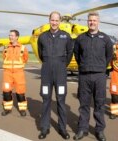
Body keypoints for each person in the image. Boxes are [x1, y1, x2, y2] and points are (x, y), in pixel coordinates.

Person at [73, 11, 113, 141]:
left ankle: (99, 130)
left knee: (99, 104)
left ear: (98, 22)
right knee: (83, 104)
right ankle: (82, 129)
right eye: (90, 20)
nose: (92, 22)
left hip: (99, 76)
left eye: (94, 20)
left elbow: (109, 56)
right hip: (84, 76)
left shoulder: (105, 38)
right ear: (87, 22)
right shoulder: (80, 38)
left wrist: (100, 67)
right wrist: (84, 66)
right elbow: (77, 55)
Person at [37, 11, 73, 140]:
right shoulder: (42, 37)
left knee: (61, 101)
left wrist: (62, 65)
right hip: (46, 72)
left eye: (57, 20)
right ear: (49, 20)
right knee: (46, 100)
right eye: (52, 20)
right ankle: (45, 128)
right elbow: (41, 54)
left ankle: (62, 129)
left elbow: (70, 52)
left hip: (60, 73)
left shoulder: (66, 36)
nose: (54, 22)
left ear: (60, 22)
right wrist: (48, 62)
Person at [1, 29, 29, 117]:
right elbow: (4, 58)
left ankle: (22, 109)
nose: (10, 37)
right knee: (6, 91)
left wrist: (17, 68)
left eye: (12, 35)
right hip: (7, 74)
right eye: (9, 35)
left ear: (17, 37)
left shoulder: (23, 48)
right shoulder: (5, 48)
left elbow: (25, 59)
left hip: (19, 74)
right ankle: (7, 109)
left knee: (20, 92)